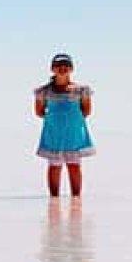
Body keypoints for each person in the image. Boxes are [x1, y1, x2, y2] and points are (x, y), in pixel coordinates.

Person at [34, 53, 95, 199]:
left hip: (74, 134)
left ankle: (76, 200)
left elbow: (86, 111)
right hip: (53, 134)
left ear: (71, 68)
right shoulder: (43, 91)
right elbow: (39, 112)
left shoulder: (81, 90)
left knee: (74, 166)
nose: (62, 68)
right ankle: (54, 200)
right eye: (58, 66)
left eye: (66, 65)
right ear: (52, 69)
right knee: (54, 166)